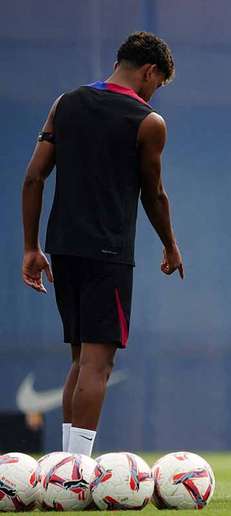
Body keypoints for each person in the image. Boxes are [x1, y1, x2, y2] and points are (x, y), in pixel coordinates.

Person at [21, 31, 183, 458]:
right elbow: (155, 194)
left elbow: (34, 177)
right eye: (158, 84)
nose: (154, 93)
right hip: (107, 254)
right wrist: (170, 244)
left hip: (61, 249)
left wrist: (30, 247)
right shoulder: (148, 122)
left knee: (79, 359)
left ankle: (62, 468)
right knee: (99, 363)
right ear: (149, 72)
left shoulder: (65, 103)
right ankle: (75, 471)